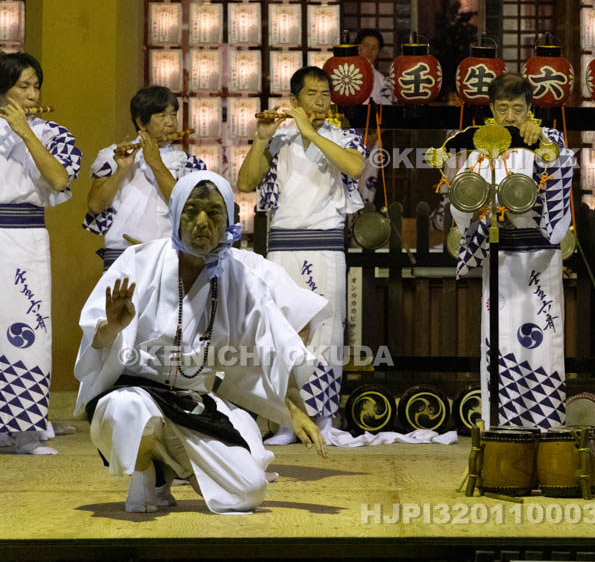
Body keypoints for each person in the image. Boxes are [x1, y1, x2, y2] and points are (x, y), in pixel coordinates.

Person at [74, 172, 328, 514]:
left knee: (248, 492)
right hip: (134, 392)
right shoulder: (139, 262)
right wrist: (112, 326)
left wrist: (295, 411)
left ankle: (172, 462)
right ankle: (148, 471)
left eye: (213, 212)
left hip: (192, 403)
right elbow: (96, 341)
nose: (202, 223)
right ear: (176, 214)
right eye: (191, 211)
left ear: (230, 221)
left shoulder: (240, 276)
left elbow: (272, 345)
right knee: (128, 411)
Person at [237, 67, 366, 446]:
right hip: (282, 244)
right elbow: (245, 183)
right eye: (312, 94)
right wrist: (262, 140)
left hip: (326, 244)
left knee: (327, 330)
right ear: (294, 101)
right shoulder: (278, 138)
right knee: (284, 330)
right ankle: (284, 419)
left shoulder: (342, 136)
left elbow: (356, 168)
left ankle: (323, 418)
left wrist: (311, 133)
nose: (321, 101)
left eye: (326, 94)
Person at [450, 74, 575, 429]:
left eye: (517, 109)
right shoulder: (480, 148)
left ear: (529, 109)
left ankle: (546, 423)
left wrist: (541, 146)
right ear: (491, 109)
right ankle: (500, 425)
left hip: (539, 257)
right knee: (500, 338)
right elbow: (463, 204)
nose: (509, 116)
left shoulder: (549, 140)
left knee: (543, 338)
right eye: (502, 108)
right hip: (500, 256)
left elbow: (561, 166)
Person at [0, 52, 82, 456]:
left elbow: (60, 179)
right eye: (23, 87)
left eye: (36, 86)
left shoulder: (53, 133)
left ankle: (28, 428)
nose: (32, 95)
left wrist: (25, 133)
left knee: (28, 329)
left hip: (25, 236)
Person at [83, 86, 206, 269]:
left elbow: (187, 207)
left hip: (167, 254)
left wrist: (155, 163)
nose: (171, 123)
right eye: (162, 116)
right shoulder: (112, 155)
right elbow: (95, 205)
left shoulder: (189, 163)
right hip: (120, 254)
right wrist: (121, 170)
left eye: (173, 115)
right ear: (141, 123)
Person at [354, 28, 393, 205]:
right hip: (344, 138)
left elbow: (387, 114)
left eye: (374, 48)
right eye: (365, 46)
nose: (368, 52)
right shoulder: (343, 77)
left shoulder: (382, 82)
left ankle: (362, 228)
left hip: (372, 139)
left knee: (367, 187)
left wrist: (372, 137)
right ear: (357, 47)